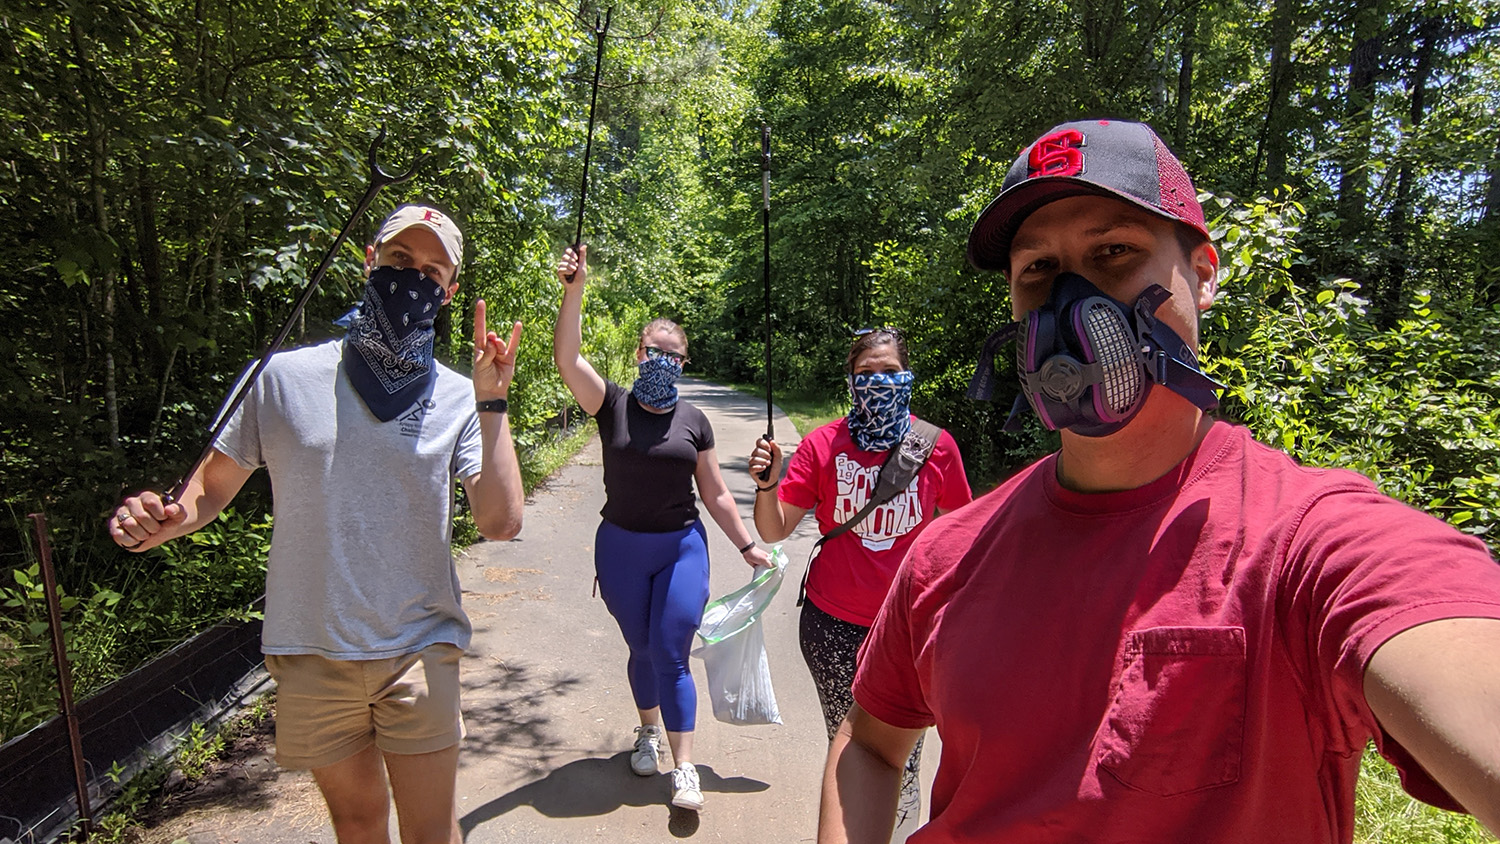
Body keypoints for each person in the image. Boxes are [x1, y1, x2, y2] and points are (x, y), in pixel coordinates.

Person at [818, 119, 1500, 843]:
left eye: (1114, 252)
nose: (1069, 300)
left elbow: (1436, 626)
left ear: (1203, 275)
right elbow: (866, 744)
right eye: (1038, 271)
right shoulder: (946, 557)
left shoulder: (1310, 544)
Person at [108, 204, 525, 844]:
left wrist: (492, 398)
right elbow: (206, 492)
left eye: (432, 270)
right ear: (369, 259)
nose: (412, 278)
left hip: (417, 647)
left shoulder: (458, 395)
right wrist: (162, 519)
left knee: (431, 833)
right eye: (399, 261)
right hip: (309, 648)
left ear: (450, 291)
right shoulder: (278, 378)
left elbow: (499, 521)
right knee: (356, 825)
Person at [552, 244, 772, 813]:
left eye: (673, 356)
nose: (663, 361)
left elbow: (716, 493)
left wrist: (748, 545)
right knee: (642, 647)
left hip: (680, 547)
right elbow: (568, 359)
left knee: (671, 651)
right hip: (620, 547)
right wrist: (574, 290)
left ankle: (686, 767)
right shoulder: (612, 405)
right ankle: (647, 732)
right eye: (655, 351)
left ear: (684, 364)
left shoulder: (693, 421)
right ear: (638, 352)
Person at [747, 328, 972, 835]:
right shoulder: (823, 444)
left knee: (900, 749)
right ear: (850, 381)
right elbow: (775, 528)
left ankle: (899, 811)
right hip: (832, 626)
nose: (879, 383)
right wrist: (767, 486)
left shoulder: (936, 447)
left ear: (908, 376)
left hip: (907, 630)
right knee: (849, 742)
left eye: (889, 373)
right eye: (866, 374)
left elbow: (963, 532)